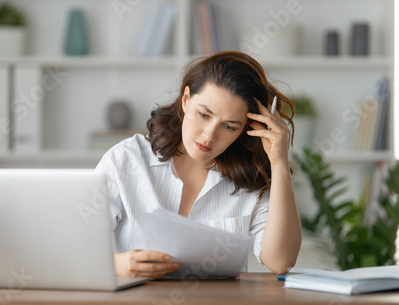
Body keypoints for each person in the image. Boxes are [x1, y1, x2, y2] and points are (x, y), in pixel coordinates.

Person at [95, 51, 302, 278]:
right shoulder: (125, 160)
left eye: (230, 126)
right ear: (186, 100)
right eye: (203, 114)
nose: (209, 136)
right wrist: (116, 266)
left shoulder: (251, 178)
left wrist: (279, 162)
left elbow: (280, 262)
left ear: (247, 128)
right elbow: (72, 247)